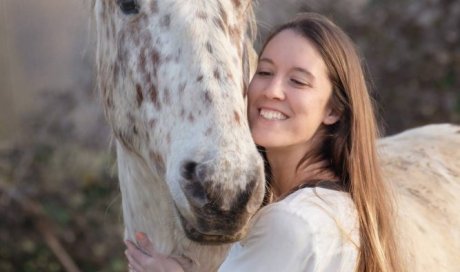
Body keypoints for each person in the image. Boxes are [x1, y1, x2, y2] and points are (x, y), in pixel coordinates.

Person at [124, 12, 403, 272]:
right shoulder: (340, 208)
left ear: (334, 110)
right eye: (265, 72)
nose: (272, 91)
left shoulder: (290, 222)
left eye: (298, 81)